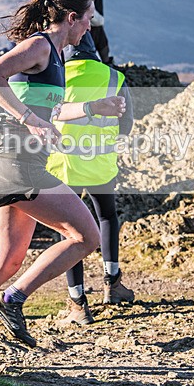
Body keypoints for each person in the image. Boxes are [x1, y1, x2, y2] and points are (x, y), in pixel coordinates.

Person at [0, 0, 125, 366]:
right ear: (71, 18)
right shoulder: (39, 46)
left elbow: (50, 112)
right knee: (85, 235)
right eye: (87, 19)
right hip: (17, 162)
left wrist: (93, 107)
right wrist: (28, 118)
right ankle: (13, 300)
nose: (89, 27)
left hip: (14, 163)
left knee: (5, 263)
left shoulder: (53, 57)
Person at [45, 47, 135, 325]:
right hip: (101, 163)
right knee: (107, 216)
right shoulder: (113, 76)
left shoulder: (56, 76)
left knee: (70, 232)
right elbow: (127, 124)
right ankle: (113, 284)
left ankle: (78, 303)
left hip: (64, 165)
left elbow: (44, 114)